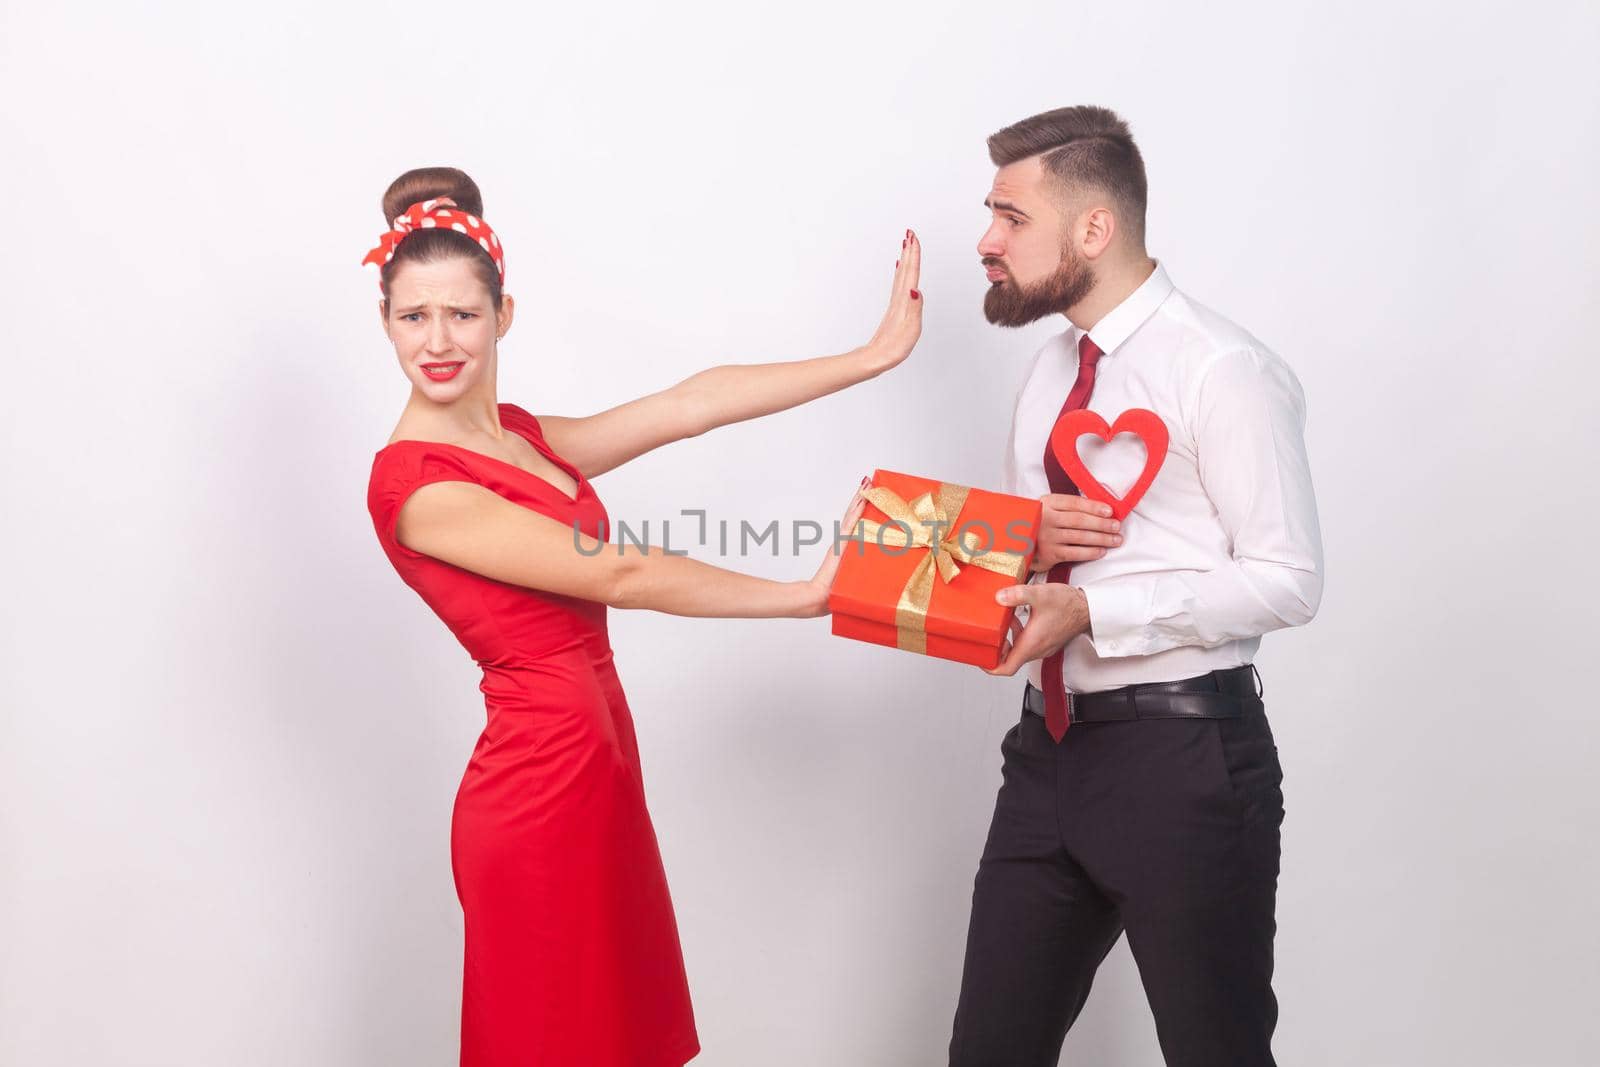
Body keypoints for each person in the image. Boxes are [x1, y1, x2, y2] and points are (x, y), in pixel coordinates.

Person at [362, 167, 922, 1067]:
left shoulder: (518, 436)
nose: (437, 340)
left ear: (503, 315)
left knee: (620, 1040)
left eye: (461, 314)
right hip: (535, 792)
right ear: (385, 322)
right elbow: (615, 570)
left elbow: (684, 406)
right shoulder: (414, 483)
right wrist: (799, 596)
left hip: (598, 764)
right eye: (412, 316)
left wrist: (870, 356)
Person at [948, 107, 1324, 1066]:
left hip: (1187, 762)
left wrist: (1093, 610)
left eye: (1009, 217)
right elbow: (1035, 560)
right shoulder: (1049, 372)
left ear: (1093, 229)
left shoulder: (1223, 369)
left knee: (1216, 1051)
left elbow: (1289, 580)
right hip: (1047, 756)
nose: (986, 241)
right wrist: (999, 556)